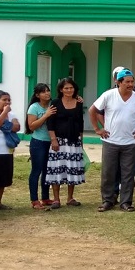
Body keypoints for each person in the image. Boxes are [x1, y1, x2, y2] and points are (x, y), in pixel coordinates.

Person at [90, 68, 135, 212]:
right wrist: (97, 129)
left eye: (132, 81)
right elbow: (93, 110)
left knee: (128, 173)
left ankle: (126, 202)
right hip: (111, 141)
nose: (130, 84)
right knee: (108, 172)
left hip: (130, 142)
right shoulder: (109, 95)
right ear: (118, 82)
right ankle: (108, 200)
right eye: (127, 82)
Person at [46, 77, 85, 206]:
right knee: (56, 169)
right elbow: (50, 122)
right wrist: (53, 139)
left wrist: (81, 140)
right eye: (66, 88)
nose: (69, 90)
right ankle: (56, 199)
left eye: (71, 88)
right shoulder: (55, 103)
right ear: (61, 90)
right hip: (59, 141)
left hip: (74, 141)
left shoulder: (79, 103)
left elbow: (80, 122)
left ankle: (70, 198)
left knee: (72, 168)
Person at [26, 83, 57, 210]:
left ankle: (45, 197)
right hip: (38, 142)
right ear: (38, 95)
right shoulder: (34, 108)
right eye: (44, 92)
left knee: (47, 170)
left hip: (51, 142)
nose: (47, 93)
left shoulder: (53, 105)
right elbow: (32, 126)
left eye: (48, 91)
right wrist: (45, 115)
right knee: (36, 170)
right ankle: (34, 199)